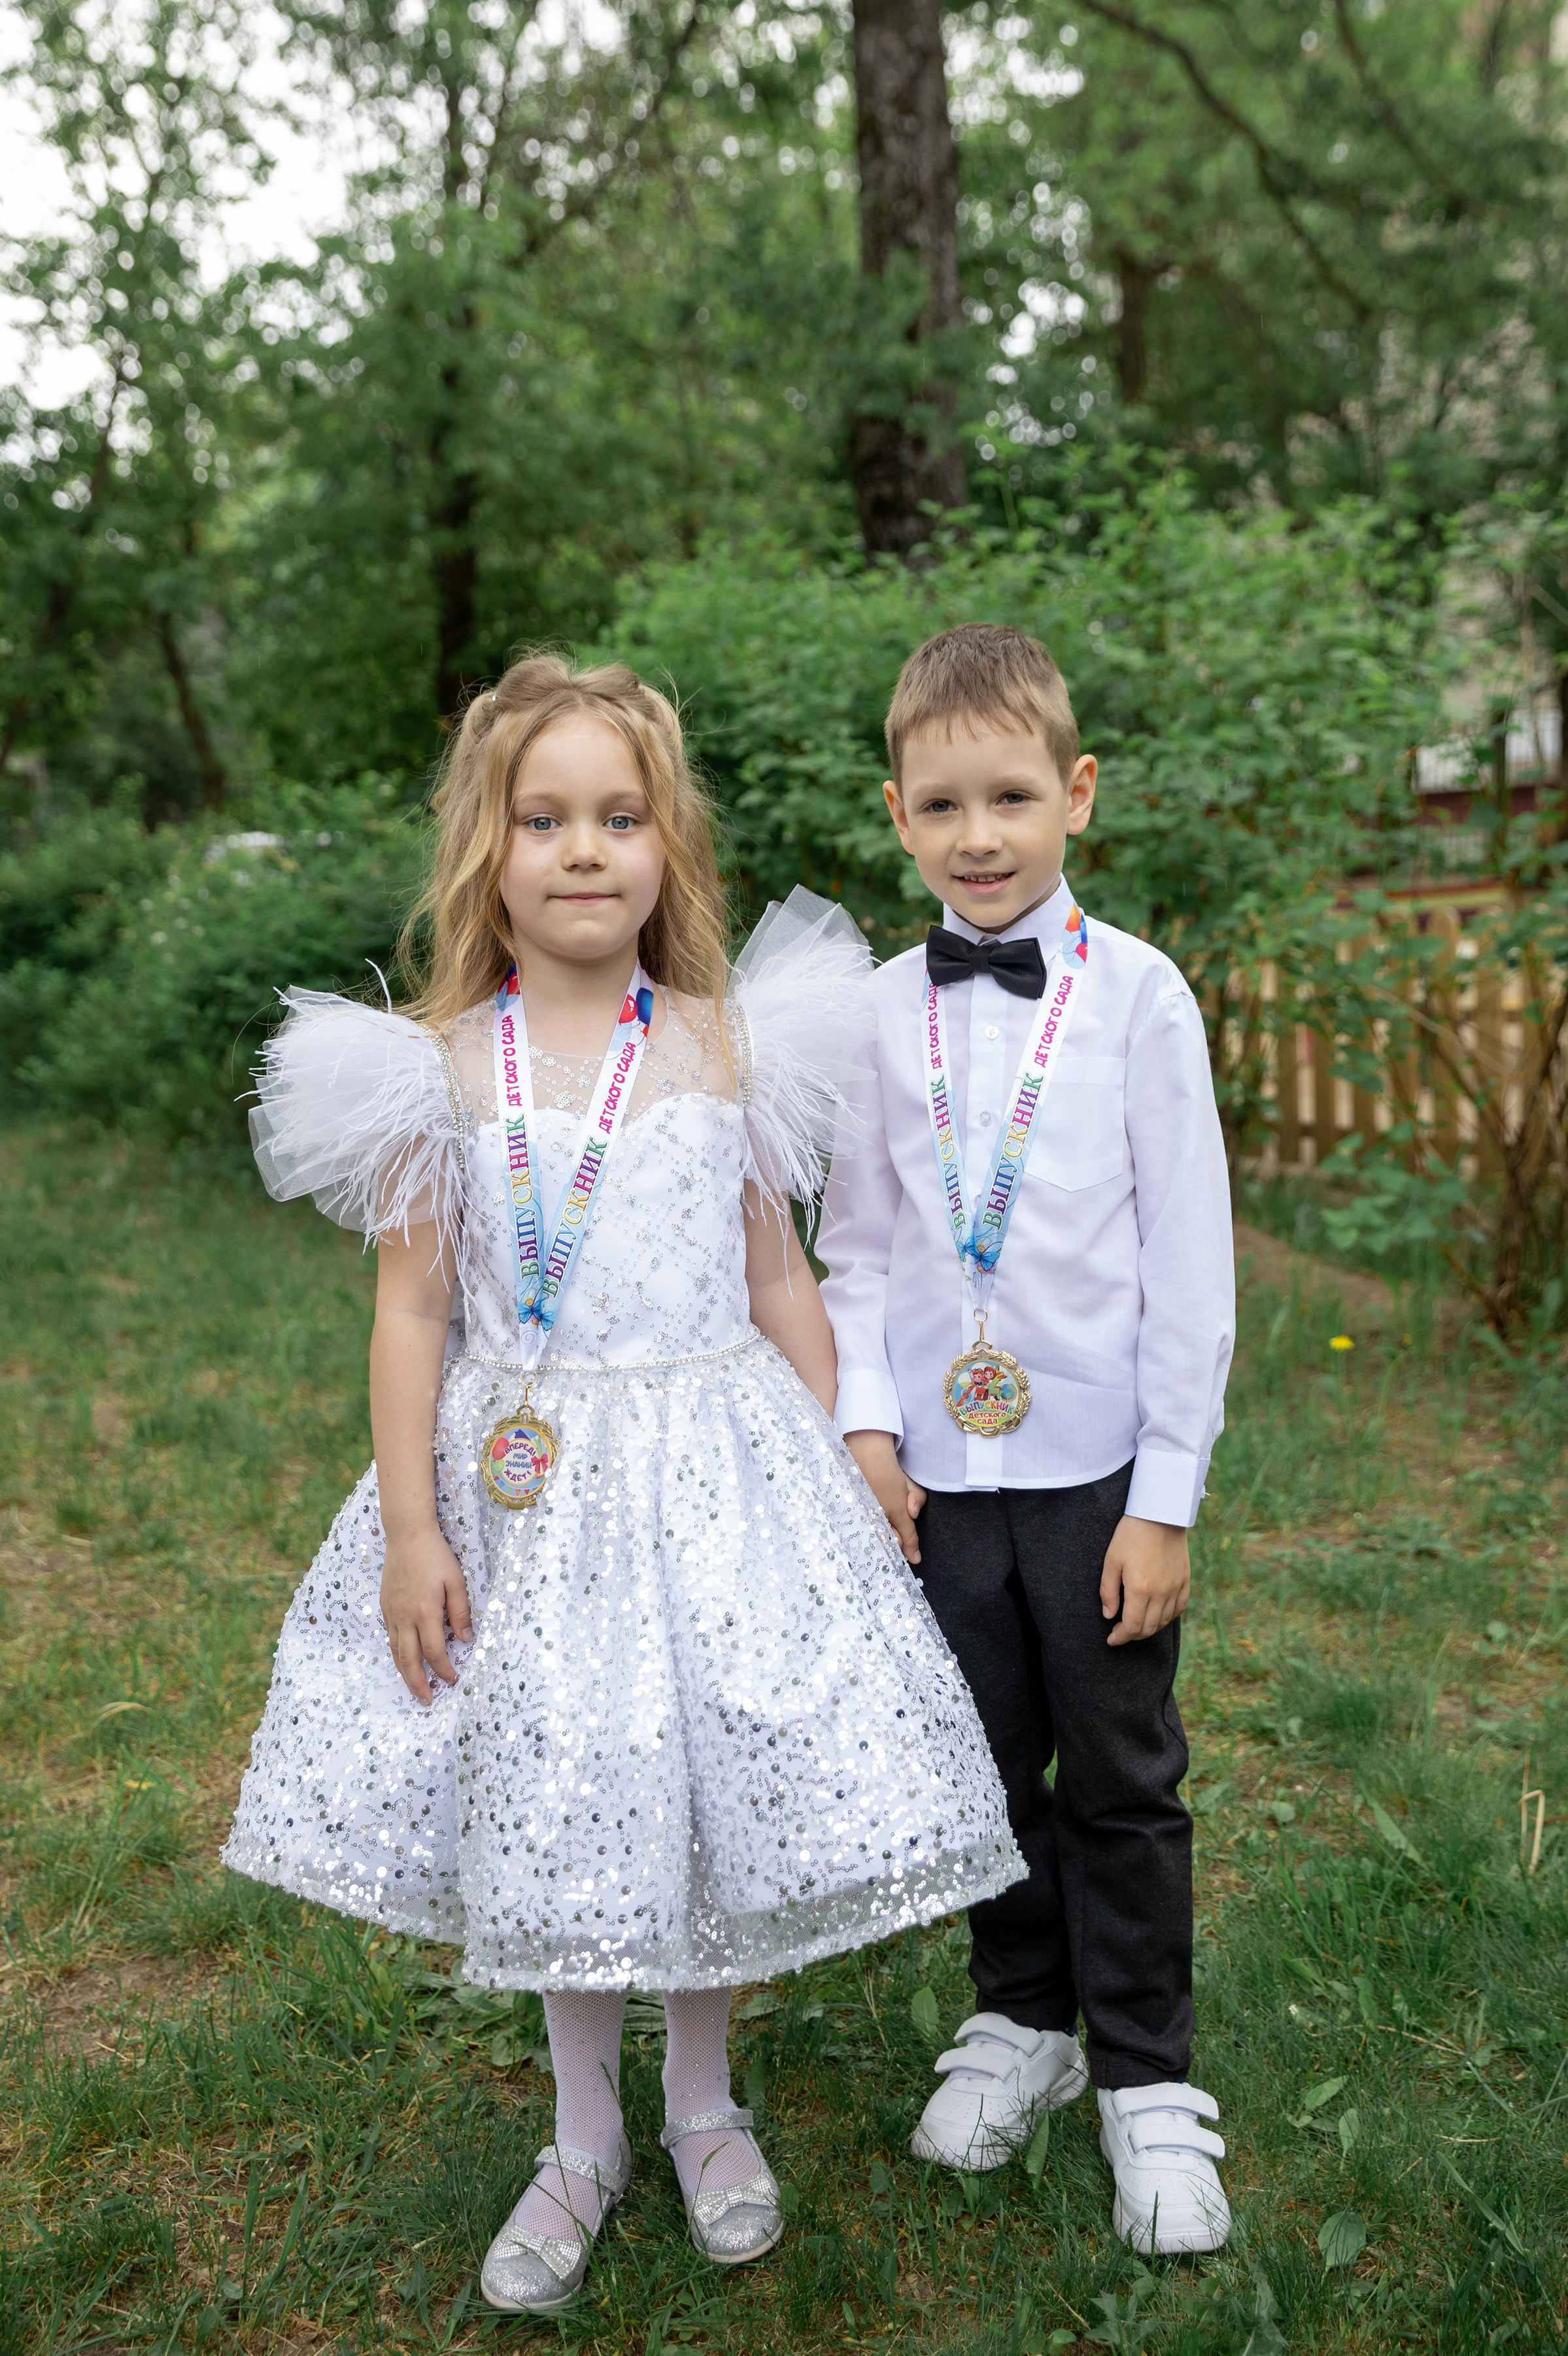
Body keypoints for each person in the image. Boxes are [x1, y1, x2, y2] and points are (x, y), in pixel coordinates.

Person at [222, 653, 1023, 2315]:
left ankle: (701, 2103)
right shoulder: (439, 1070)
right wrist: (416, 1528)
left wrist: (845, 1446)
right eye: (543, 819)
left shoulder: (728, 1048)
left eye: (618, 816)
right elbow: (411, 1311)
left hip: (716, 1477)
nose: (582, 849)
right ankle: (582, 2131)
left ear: (668, 846)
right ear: (488, 848)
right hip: (528, 1501)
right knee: (566, 1791)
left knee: (704, 1786)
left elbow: (778, 1272)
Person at [817, 623, 1235, 2256]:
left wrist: (1166, 1496)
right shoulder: (867, 1016)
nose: (976, 836)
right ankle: (1021, 2016)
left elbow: (1188, 1261)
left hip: (1097, 1473)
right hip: (936, 1473)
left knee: (1119, 1769)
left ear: (1076, 792)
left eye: (1008, 797)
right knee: (980, 1765)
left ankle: (1144, 2070)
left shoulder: (1139, 998)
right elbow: (854, 1251)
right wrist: (865, 1429)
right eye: (940, 805)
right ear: (895, 815)